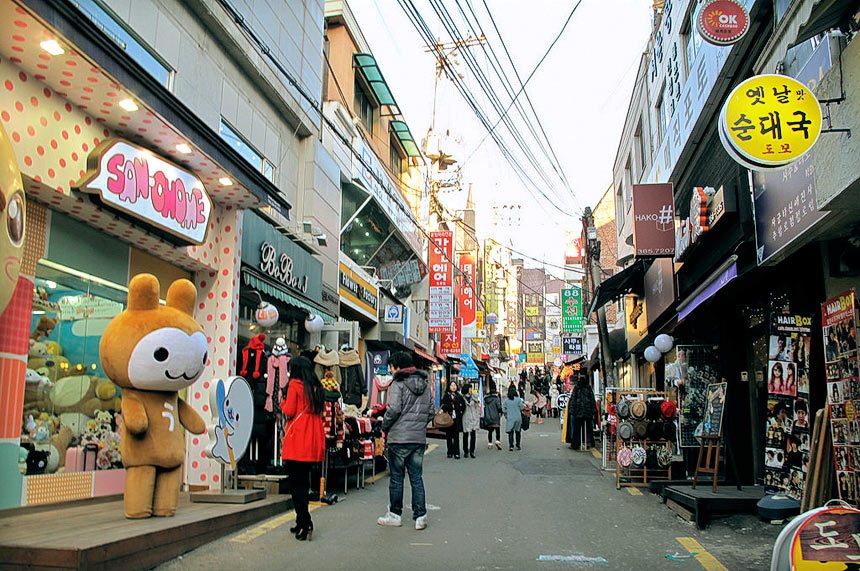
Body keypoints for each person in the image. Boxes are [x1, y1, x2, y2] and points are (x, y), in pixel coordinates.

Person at [377, 352, 435, 530]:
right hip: (417, 439)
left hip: (399, 438)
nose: (391, 370)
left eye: (392, 366)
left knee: (397, 478)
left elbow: (393, 409)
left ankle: (395, 514)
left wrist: (384, 425)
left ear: (398, 366)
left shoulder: (398, 383)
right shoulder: (425, 385)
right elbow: (431, 411)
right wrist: (418, 426)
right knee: (416, 477)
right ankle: (420, 516)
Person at [280, 356, 325, 541]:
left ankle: (306, 522)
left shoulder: (295, 386)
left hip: (298, 437)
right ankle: (300, 520)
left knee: (296, 484)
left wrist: (282, 403)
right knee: (304, 482)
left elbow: (289, 410)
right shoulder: (316, 387)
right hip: (312, 437)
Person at [569, 374, 596, 450]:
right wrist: (594, 411)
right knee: (589, 429)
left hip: (579, 412)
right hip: (588, 411)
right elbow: (592, 399)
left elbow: (573, 399)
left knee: (577, 429)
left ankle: (575, 444)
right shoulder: (588, 388)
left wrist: (572, 411)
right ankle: (591, 443)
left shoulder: (577, 388)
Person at [440, 380, 466, 459]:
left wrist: (459, 411)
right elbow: (443, 406)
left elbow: (463, 406)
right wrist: (450, 406)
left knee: (456, 436)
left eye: (455, 385)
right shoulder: (446, 396)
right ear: (449, 387)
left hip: (456, 419)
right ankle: (449, 451)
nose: (453, 387)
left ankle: (456, 452)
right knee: (449, 436)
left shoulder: (459, 396)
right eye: (452, 385)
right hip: (448, 418)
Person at [461, 382, 481, 458]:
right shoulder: (462, 397)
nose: (471, 390)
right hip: (465, 417)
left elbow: (478, 407)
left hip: (473, 417)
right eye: (470, 388)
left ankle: (472, 451)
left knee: (473, 435)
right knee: (465, 435)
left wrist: (477, 415)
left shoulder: (474, 397)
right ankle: (465, 451)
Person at [503, 384, 524, 451]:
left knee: (510, 432)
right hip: (518, 418)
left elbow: (503, 409)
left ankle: (511, 446)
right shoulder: (518, 400)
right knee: (518, 432)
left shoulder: (506, 401)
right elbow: (522, 407)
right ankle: (518, 445)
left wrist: (506, 414)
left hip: (510, 418)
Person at [483, 381, 503, 450]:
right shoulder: (496, 399)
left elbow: (484, 407)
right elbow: (499, 408)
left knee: (490, 431)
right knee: (497, 430)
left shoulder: (486, 399)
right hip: (496, 417)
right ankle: (497, 441)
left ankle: (490, 443)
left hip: (488, 417)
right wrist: (501, 412)